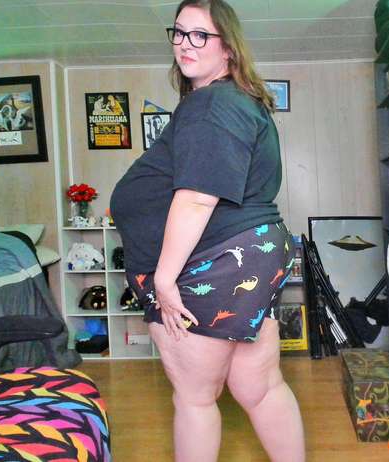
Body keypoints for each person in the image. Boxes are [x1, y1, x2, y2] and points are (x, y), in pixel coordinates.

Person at [109, 1, 305, 461]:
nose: (185, 44)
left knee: (195, 397)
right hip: (249, 250)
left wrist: (164, 278)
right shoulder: (237, 103)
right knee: (258, 385)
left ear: (228, 49)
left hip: (210, 261)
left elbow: (199, 197)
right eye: (179, 32)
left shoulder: (212, 104)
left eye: (201, 35)